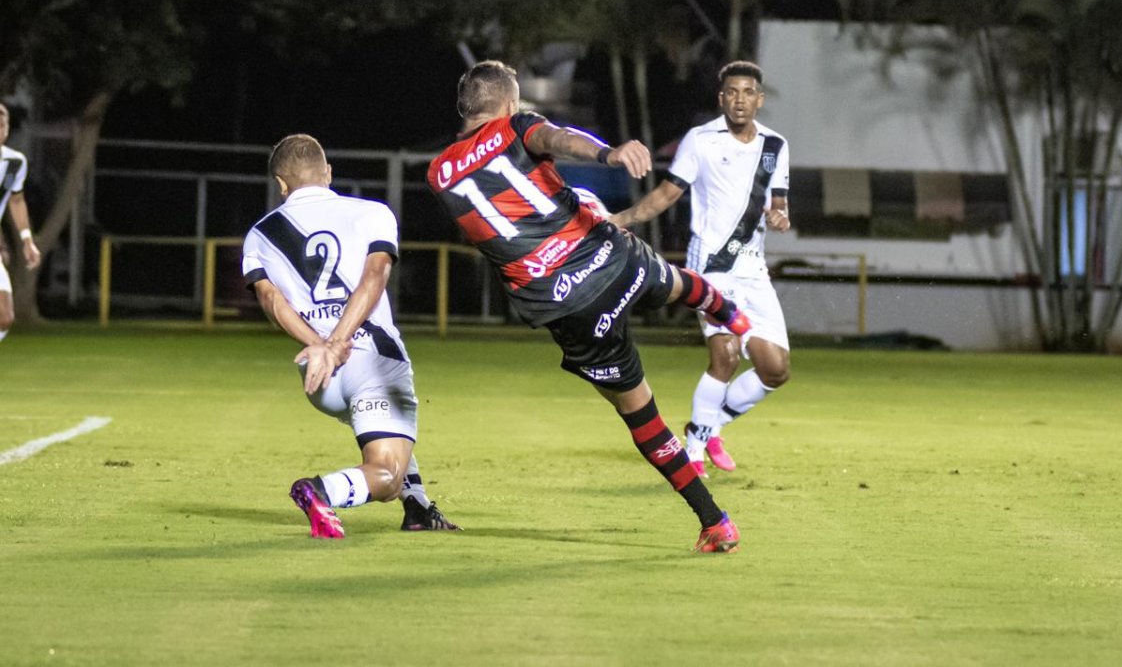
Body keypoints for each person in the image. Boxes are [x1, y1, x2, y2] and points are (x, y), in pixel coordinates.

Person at [422, 60, 749, 553]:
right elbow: (558, 139)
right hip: (608, 257)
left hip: (562, 303)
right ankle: (729, 313)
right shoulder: (518, 125)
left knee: (641, 416)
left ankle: (715, 521)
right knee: (664, 276)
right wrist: (609, 153)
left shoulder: (438, 173)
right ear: (510, 105)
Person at [242, 133, 459, 538]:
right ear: (327, 173)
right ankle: (320, 491)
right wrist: (339, 342)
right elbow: (374, 279)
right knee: (386, 473)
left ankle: (419, 509)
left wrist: (319, 346)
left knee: (390, 434)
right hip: (370, 358)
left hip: (318, 377)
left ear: (281, 184)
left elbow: (271, 301)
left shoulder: (260, 234)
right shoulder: (372, 213)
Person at [608, 61, 791, 478]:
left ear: (759, 99)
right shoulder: (701, 140)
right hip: (711, 266)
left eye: (748, 92)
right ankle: (692, 452)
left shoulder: (776, 145)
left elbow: (778, 202)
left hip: (753, 271)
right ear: (721, 98)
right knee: (725, 354)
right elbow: (665, 196)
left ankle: (707, 426)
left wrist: (780, 216)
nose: (740, 99)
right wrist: (619, 220)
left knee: (775, 370)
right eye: (732, 92)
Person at [0, 102, 42, 343]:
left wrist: (27, 240)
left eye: (2, 125)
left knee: (5, 316)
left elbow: (16, 201)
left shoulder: (15, 163)